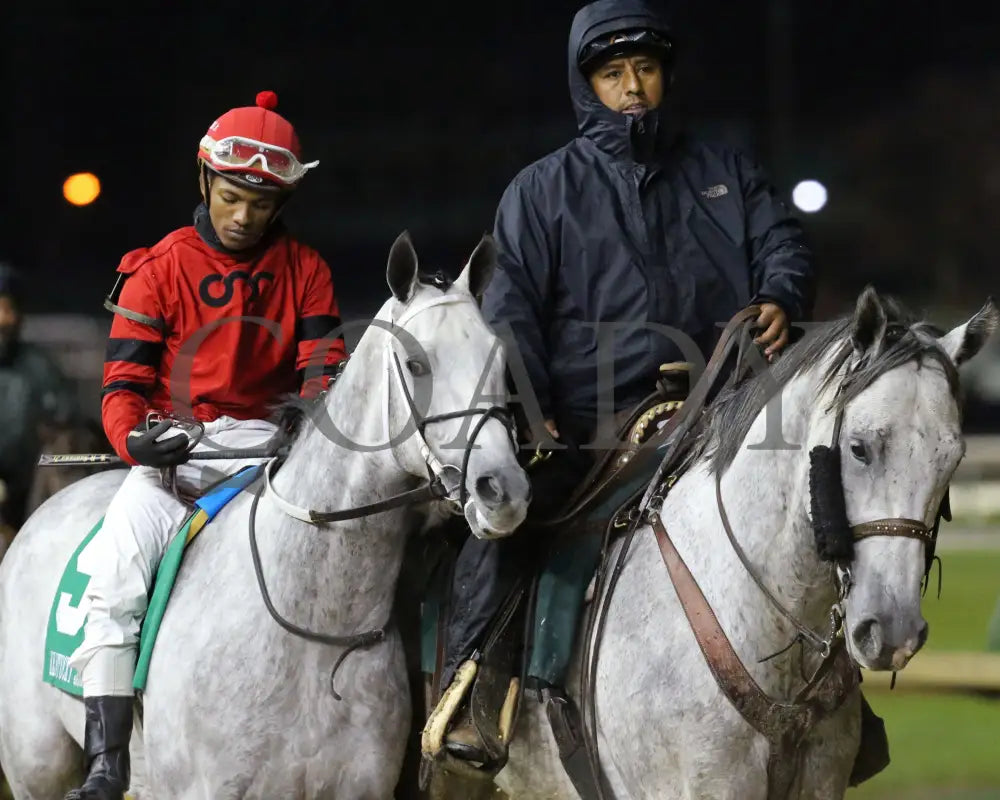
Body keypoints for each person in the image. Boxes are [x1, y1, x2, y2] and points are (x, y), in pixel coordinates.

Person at [434, 0, 816, 766]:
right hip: (588, 419)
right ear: (589, 87)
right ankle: (474, 689)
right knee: (505, 523)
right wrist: (536, 418)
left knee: (814, 511)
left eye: (644, 69)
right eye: (614, 73)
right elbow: (511, 317)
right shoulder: (540, 193)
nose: (633, 86)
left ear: (665, 77)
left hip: (724, 408)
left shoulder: (725, 170)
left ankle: (838, 708)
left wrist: (781, 294)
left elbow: (782, 241)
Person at [64, 91, 348, 800]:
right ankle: (107, 762)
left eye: (261, 204)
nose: (244, 217)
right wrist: (135, 440)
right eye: (230, 197)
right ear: (204, 181)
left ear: (281, 203)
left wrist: (308, 412)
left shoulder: (307, 269)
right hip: (173, 453)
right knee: (117, 575)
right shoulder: (158, 267)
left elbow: (325, 366)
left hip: (265, 452)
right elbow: (122, 384)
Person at [0, 263, 80, 528]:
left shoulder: (40, 369)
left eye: (9, 308)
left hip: (27, 497)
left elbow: (67, 428)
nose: (4, 319)